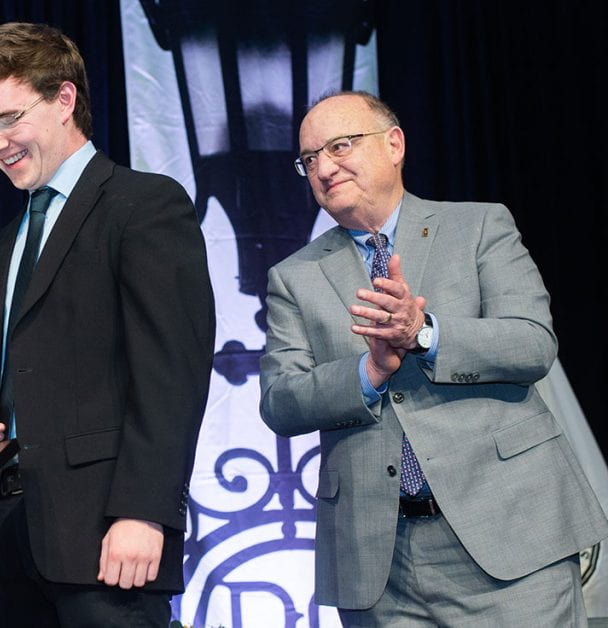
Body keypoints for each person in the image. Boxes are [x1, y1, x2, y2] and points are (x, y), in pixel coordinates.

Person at [259, 90, 608, 625]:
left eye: (340, 146)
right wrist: (369, 371)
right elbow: (281, 401)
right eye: (308, 160)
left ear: (393, 144)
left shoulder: (479, 227)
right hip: (380, 563)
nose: (323, 168)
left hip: (510, 542)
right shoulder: (293, 277)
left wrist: (424, 333)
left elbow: (532, 342)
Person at [0, 22, 215, 627]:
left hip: (110, 540)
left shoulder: (145, 205)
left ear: (64, 100)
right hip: (12, 540)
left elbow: (172, 376)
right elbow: (19, 385)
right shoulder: (4, 247)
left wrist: (143, 514)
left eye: (7, 119)